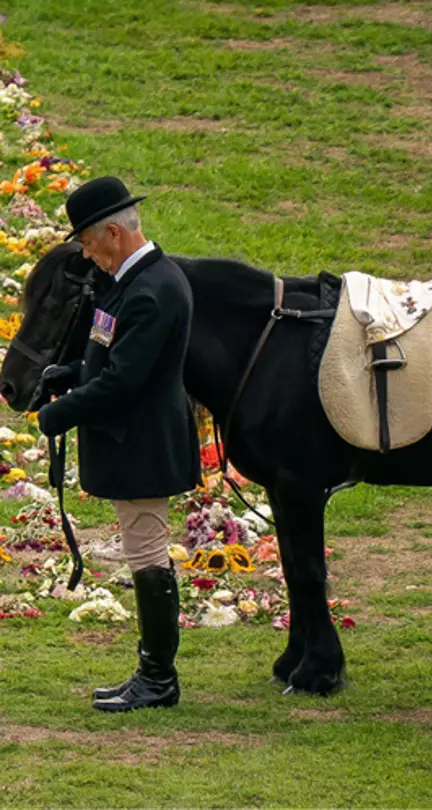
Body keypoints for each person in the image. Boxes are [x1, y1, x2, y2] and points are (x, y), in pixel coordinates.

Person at [35, 176, 202, 713]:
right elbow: (111, 355)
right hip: (136, 440)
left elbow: (124, 382)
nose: (87, 254)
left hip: (144, 444)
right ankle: (153, 673)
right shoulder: (136, 282)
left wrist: (58, 414)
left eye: (86, 243)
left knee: (149, 556)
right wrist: (69, 372)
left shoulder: (152, 291)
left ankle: (158, 678)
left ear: (112, 232)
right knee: (142, 553)